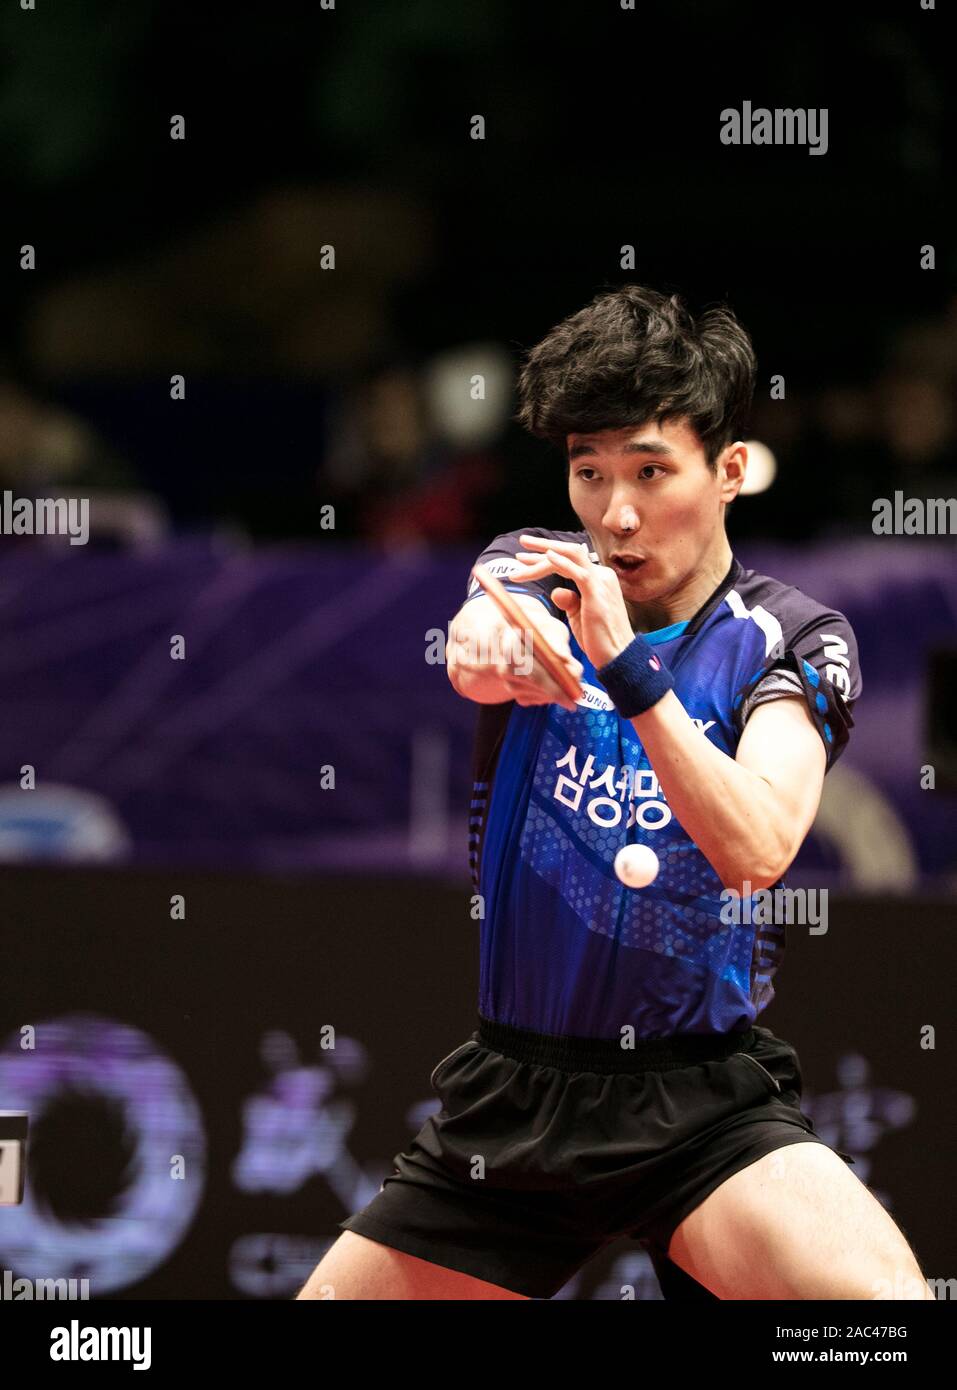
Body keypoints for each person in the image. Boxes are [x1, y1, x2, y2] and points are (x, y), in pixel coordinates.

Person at [298, 285, 935, 1301]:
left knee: (881, 1311)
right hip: (514, 1099)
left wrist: (630, 669)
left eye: (650, 470)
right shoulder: (534, 569)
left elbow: (758, 844)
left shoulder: (797, 639)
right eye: (588, 473)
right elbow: (484, 643)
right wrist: (490, 642)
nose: (616, 512)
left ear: (729, 471)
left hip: (699, 1106)